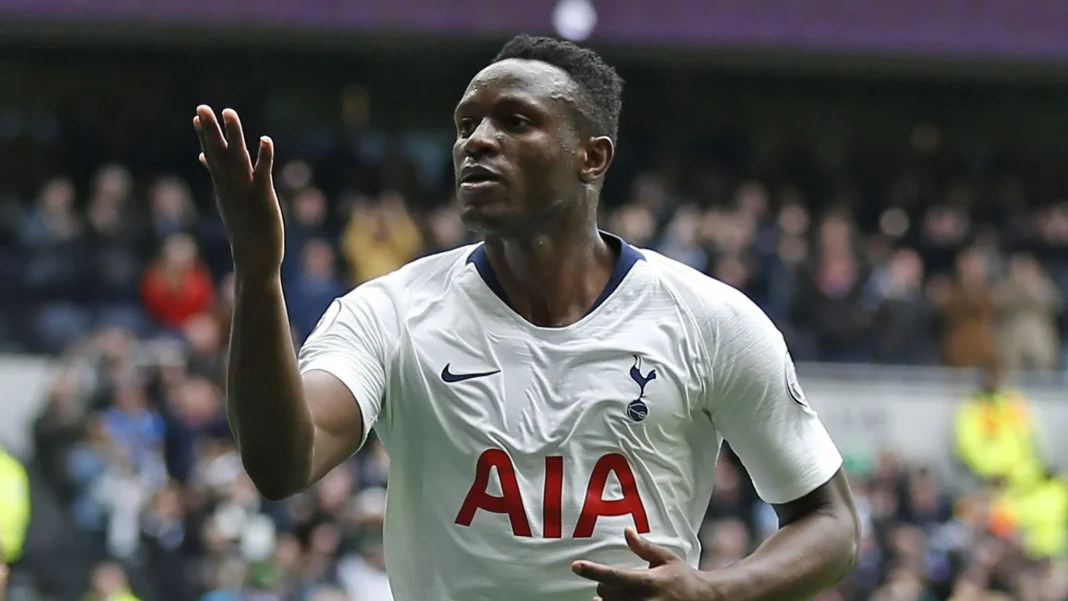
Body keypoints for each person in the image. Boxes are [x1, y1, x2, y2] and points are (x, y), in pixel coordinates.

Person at [193, 34, 860, 601]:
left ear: (591, 157)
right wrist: (257, 274)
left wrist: (718, 589)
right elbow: (283, 463)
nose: (477, 141)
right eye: (465, 125)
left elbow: (830, 520)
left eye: (514, 120)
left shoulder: (710, 319)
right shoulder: (390, 312)